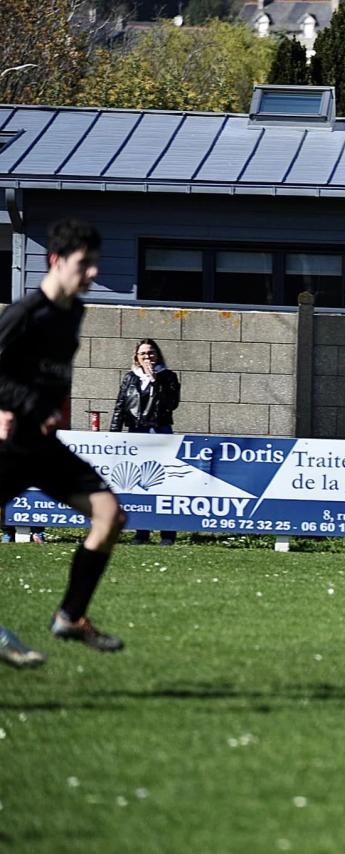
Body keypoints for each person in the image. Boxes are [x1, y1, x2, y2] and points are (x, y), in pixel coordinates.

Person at [0, 218, 127, 654]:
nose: (93, 273)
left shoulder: (73, 311)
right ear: (55, 260)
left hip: (43, 446)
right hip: (10, 444)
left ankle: (70, 617)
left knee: (110, 516)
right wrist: (23, 405)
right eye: (84, 264)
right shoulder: (24, 314)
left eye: (95, 263)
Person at [111, 338, 180, 545]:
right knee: (140, 483)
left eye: (150, 353)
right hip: (137, 431)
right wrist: (113, 434)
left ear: (157, 355)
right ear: (136, 357)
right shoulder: (130, 378)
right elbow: (120, 406)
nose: (147, 357)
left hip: (159, 430)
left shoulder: (168, 377)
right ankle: (142, 532)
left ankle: (167, 533)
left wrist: (155, 380)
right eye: (143, 354)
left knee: (163, 482)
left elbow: (172, 403)